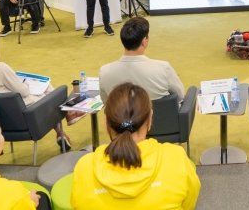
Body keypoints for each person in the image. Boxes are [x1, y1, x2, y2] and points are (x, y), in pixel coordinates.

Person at [71, 82, 200, 209]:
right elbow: (189, 204)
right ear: (150, 120)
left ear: (106, 123)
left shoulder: (84, 168)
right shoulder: (176, 158)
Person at [99, 17, 185, 103]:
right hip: (159, 112)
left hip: (121, 112)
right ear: (144, 41)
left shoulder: (105, 72)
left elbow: (106, 103)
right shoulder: (164, 68)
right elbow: (180, 96)